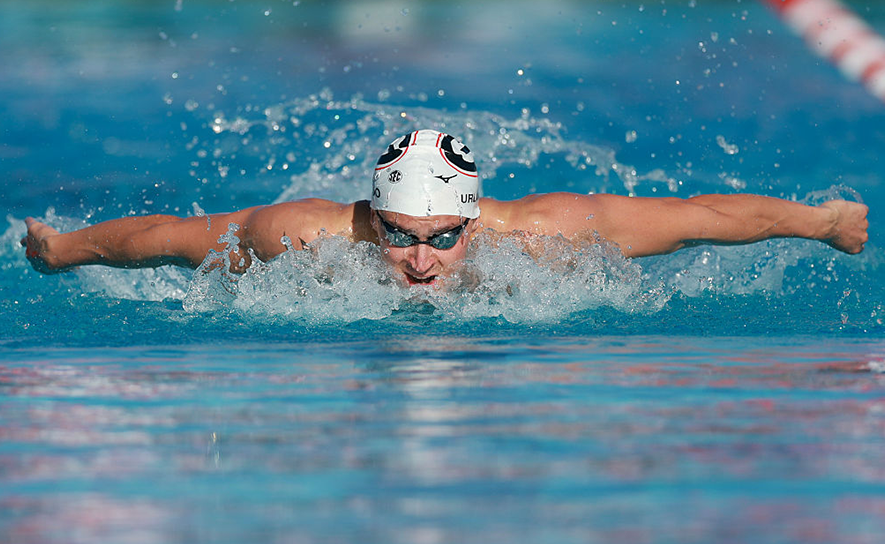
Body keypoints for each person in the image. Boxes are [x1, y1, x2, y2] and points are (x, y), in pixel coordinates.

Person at [22, 129, 869, 287]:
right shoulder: (306, 237)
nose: (419, 262)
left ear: (474, 219)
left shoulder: (544, 235)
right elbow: (168, 240)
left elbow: (701, 217)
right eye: (396, 238)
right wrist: (65, 252)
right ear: (371, 217)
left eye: (441, 239)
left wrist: (827, 223)